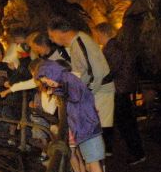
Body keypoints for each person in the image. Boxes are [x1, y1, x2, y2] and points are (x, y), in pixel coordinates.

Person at [33, 59, 106, 172]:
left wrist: (58, 90)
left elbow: (75, 95)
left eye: (48, 80)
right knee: (91, 168)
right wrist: (57, 89)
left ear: (52, 72)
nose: (49, 84)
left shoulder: (68, 80)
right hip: (85, 129)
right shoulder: (65, 81)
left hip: (88, 129)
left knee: (95, 170)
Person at [47, 18, 115, 155]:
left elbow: (96, 72)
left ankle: (98, 169)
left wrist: (84, 94)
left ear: (61, 32)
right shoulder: (76, 43)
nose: (52, 40)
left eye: (52, 36)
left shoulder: (81, 42)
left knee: (95, 132)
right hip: (96, 90)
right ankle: (96, 166)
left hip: (99, 91)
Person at [93, 22, 146, 164]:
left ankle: (137, 154)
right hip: (119, 89)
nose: (96, 37)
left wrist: (94, 81)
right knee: (116, 121)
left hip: (118, 90)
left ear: (103, 33)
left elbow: (109, 71)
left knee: (125, 123)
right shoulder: (114, 47)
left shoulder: (113, 48)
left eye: (97, 34)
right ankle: (109, 148)